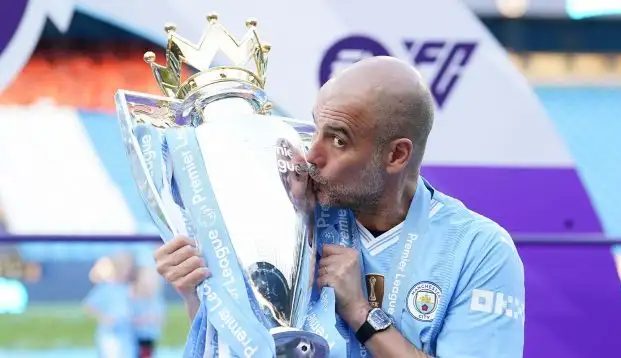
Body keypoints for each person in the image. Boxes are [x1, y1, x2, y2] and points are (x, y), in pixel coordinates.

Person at [154, 56, 525, 357]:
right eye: (317, 129)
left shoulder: (478, 249)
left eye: (339, 140)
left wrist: (360, 312)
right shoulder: (291, 217)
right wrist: (199, 292)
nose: (312, 153)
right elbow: (245, 348)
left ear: (396, 155)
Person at [83, 251, 137, 358]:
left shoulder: (128, 289)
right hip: (109, 332)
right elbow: (88, 306)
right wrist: (103, 317)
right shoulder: (104, 288)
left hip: (126, 331)